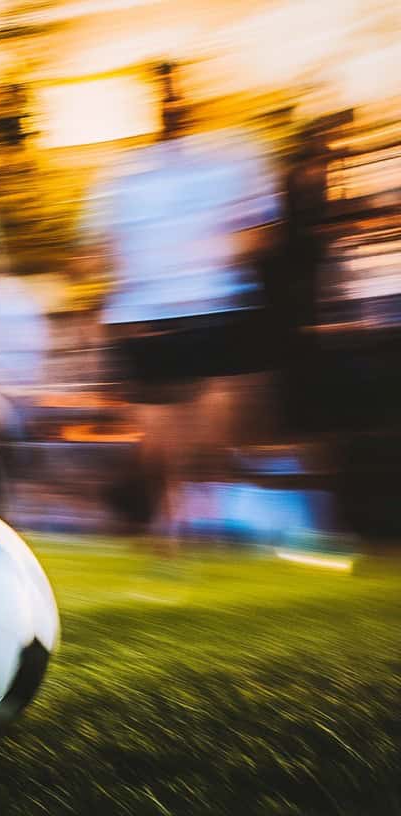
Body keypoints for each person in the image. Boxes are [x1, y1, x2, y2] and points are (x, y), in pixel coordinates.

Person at [84, 61, 280, 551]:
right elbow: (95, 251)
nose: (171, 101)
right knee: (159, 439)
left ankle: (205, 511)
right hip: (144, 314)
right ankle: (170, 527)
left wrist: (209, 255)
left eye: (177, 90)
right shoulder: (121, 176)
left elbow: (260, 230)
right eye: (161, 91)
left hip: (216, 307)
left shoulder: (236, 156)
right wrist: (111, 298)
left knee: (217, 434)